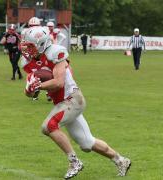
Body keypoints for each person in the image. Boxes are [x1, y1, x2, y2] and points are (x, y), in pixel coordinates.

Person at [21, 26, 131, 179]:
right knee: (87, 143)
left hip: (72, 99)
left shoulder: (56, 53)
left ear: (42, 44)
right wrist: (29, 89)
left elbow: (59, 82)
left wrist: (38, 86)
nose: (28, 49)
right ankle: (121, 160)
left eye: (31, 46)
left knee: (48, 126)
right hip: (62, 103)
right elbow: (29, 91)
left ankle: (74, 162)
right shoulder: (32, 61)